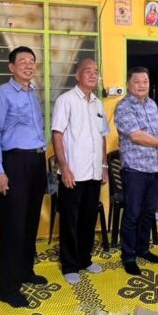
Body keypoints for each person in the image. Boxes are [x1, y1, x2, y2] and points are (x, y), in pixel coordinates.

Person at [0, 46, 48, 308]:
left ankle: (25, 271)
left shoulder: (33, 92)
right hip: (14, 162)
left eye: (32, 61)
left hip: (35, 161)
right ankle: (8, 288)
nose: (28, 65)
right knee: (13, 225)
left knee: (31, 221)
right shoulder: (2, 94)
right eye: (22, 61)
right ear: (11, 67)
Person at [114, 66, 158, 275]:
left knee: (148, 212)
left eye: (145, 81)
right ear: (128, 84)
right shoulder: (124, 107)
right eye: (137, 82)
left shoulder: (151, 104)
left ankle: (143, 249)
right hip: (135, 169)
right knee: (132, 214)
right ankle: (128, 256)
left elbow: (157, 127)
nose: (142, 85)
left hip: (153, 167)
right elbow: (137, 136)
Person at [51, 58, 109, 285]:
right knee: (70, 220)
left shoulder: (98, 103)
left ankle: (85, 259)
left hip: (94, 173)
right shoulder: (65, 100)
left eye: (96, 71)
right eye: (88, 71)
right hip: (73, 173)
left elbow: (102, 137)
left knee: (88, 218)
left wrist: (104, 167)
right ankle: (69, 264)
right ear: (77, 75)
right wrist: (64, 168)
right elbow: (57, 134)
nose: (93, 75)